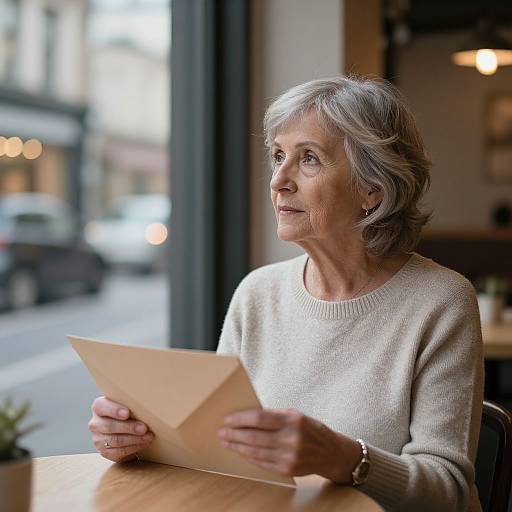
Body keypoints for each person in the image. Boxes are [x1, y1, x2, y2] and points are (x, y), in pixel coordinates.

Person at [88, 76, 484, 511]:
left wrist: (343, 457)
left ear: (372, 188)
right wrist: (137, 441)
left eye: (309, 158)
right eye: (278, 156)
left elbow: (449, 493)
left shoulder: (442, 301)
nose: (278, 180)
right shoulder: (257, 292)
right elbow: (216, 454)